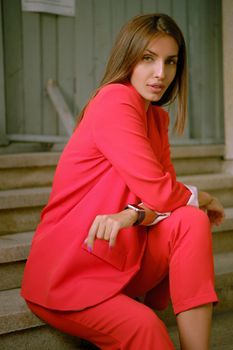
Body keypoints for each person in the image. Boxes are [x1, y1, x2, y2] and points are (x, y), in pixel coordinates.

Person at [21, 13, 225, 350]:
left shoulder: (156, 118)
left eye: (170, 62)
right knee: (146, 327)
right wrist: (204, 196)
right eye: (148, 58)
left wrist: (131, 214)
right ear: (128, 58)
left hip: (117, 252)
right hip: (68, 270)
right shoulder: (114, 101)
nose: (161, 73)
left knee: (190, 220)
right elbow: (163, 193)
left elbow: (163, 201)